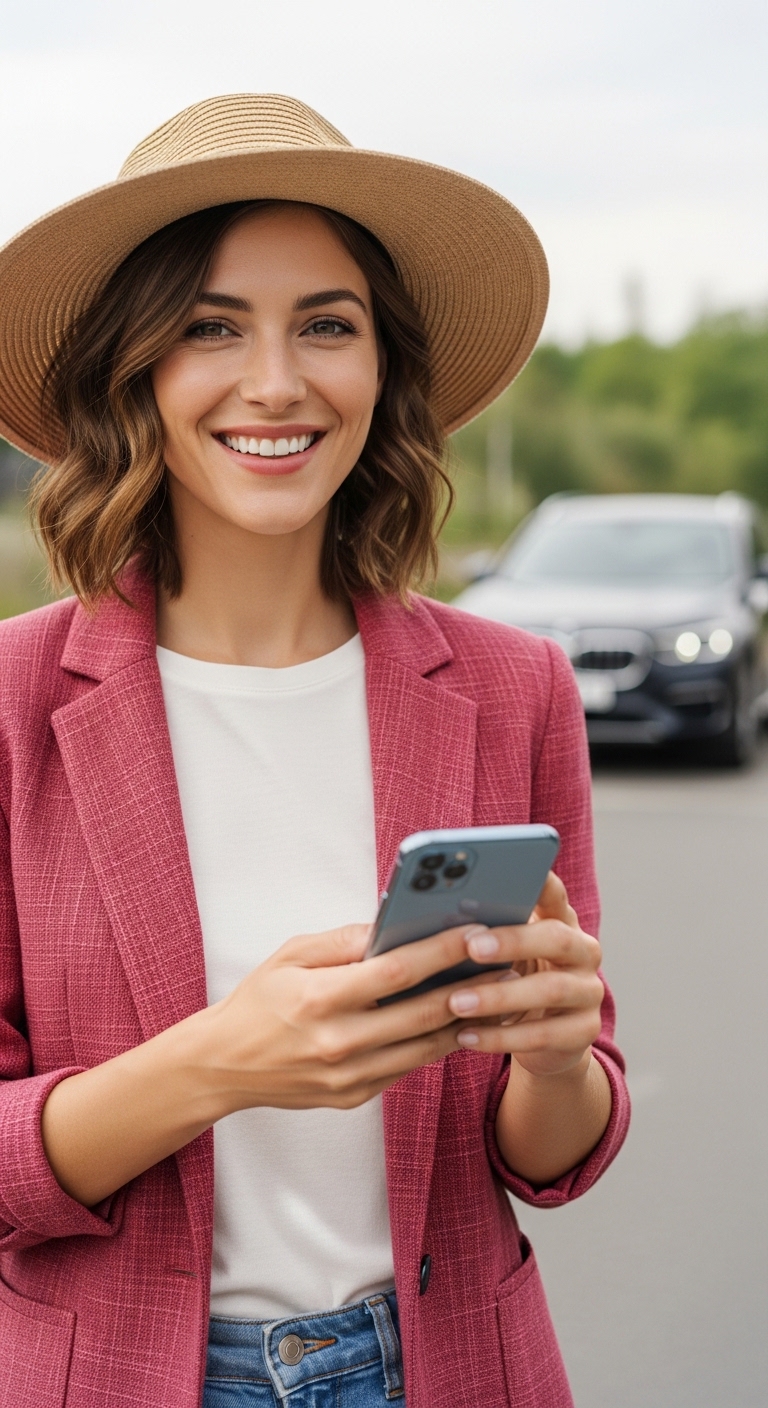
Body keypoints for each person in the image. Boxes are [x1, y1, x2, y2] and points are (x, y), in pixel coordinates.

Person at [0, 95, 630, 1408]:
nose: (276, 384)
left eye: (326, 326)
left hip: (454, 1371)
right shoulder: (8, 703)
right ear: (135, 370)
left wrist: (562, 1056)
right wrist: (220, 1063)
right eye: (209, 328)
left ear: (382, 369)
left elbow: (553, 1155)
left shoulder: (518, 688)